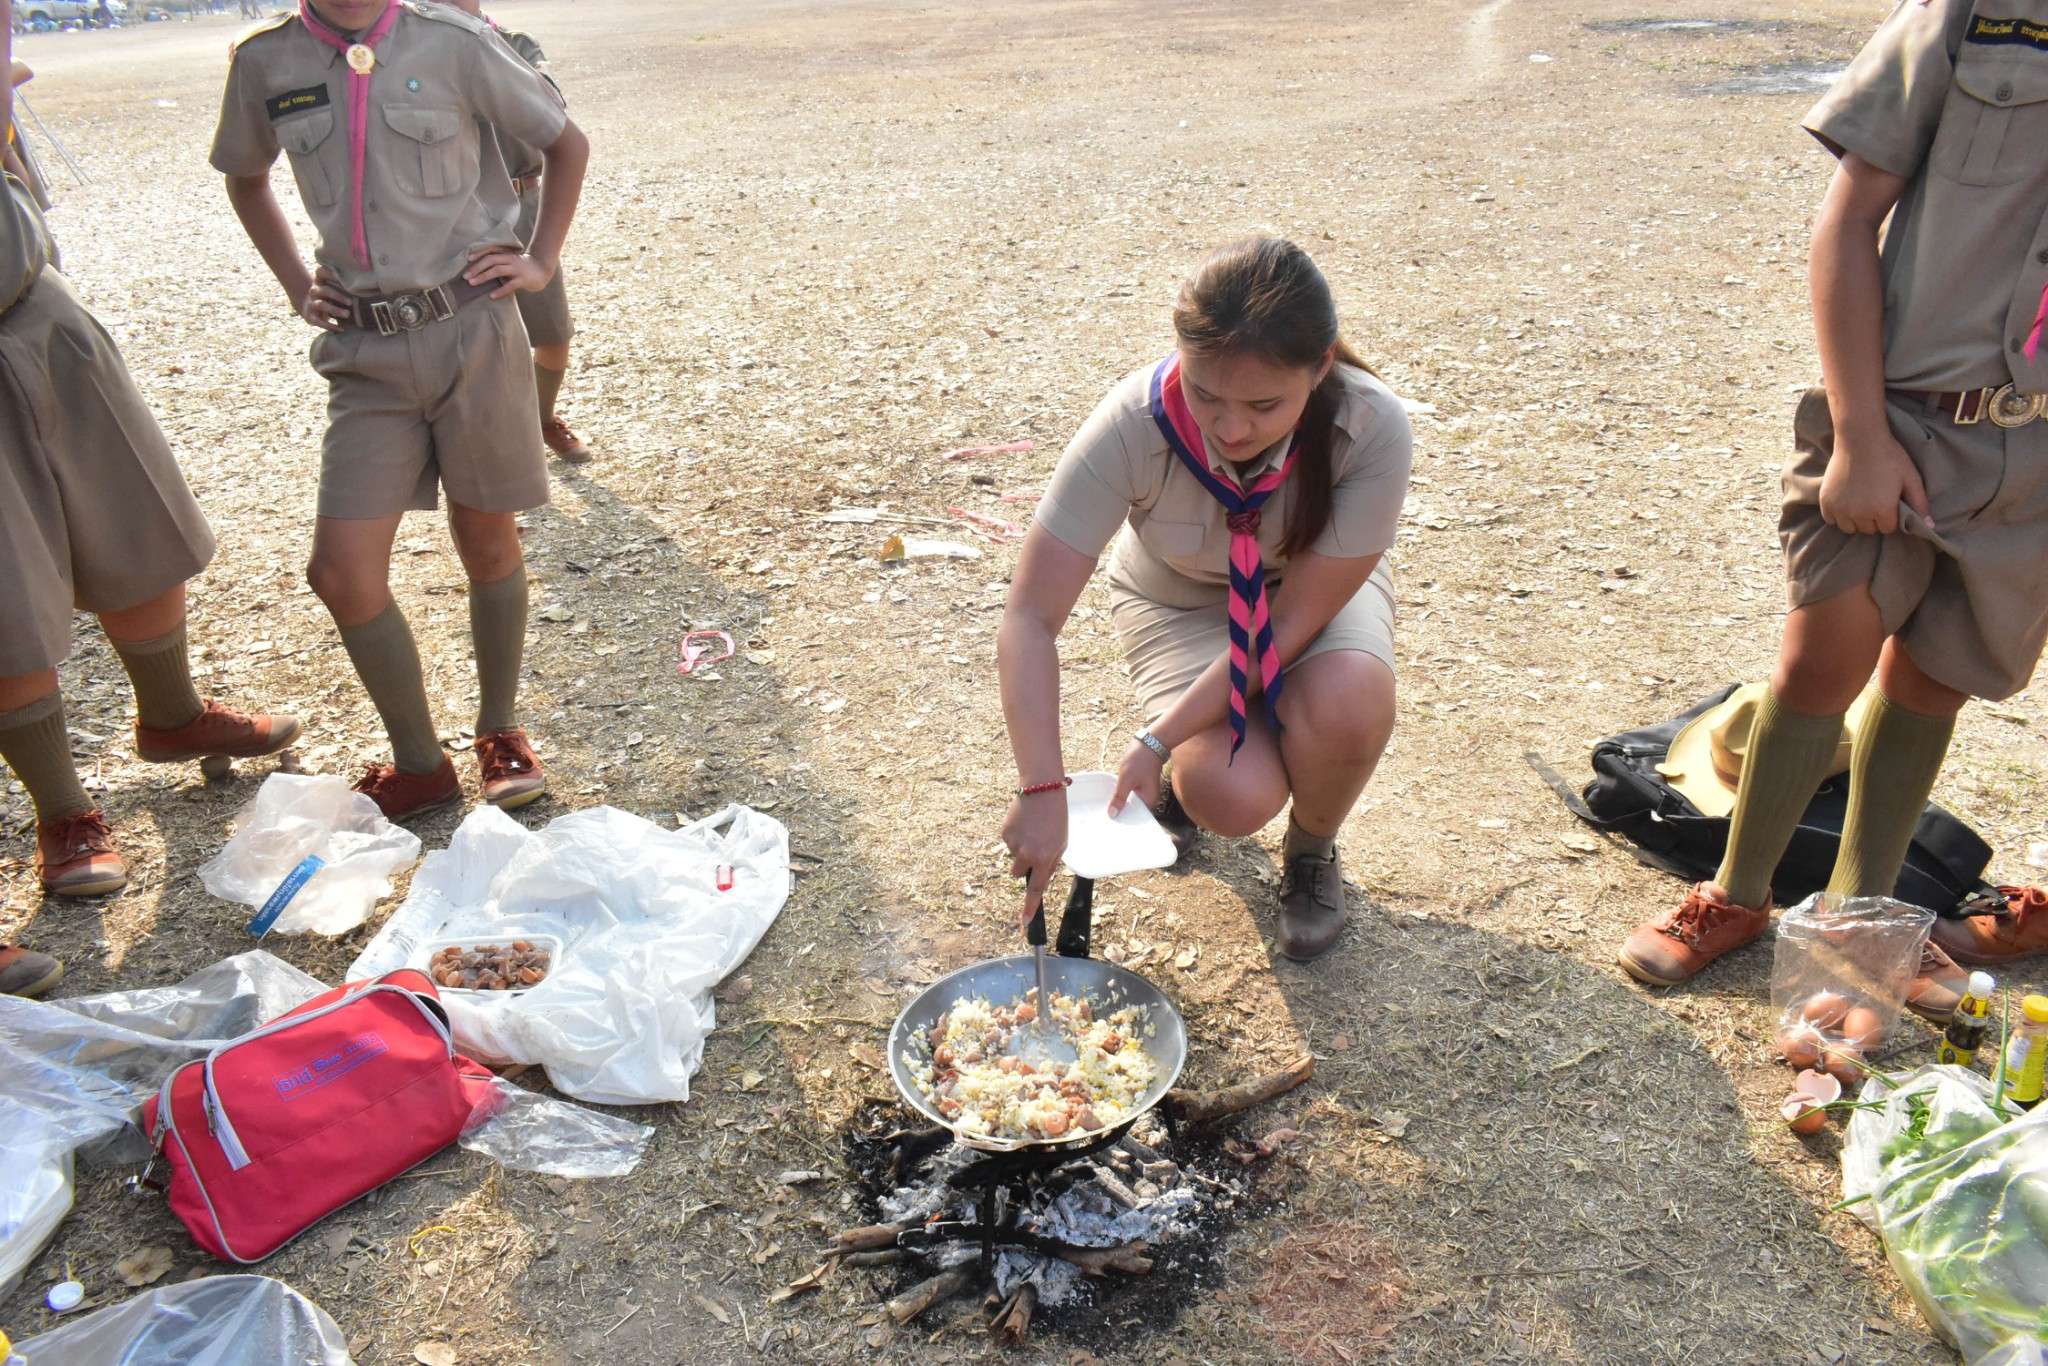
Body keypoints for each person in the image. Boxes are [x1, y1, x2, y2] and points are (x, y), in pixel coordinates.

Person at [1616, 0, 2048, 1000]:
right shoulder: (1974, 17)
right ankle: (1735, 895)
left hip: (2033, 456)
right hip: (1898, 417)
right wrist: (1858, 434)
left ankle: (1860, 924)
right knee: (1821, 660)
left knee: (1934, 678)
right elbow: (1849, 218)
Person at [212, 0, 589, 820]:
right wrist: (295, 283)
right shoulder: (266, 60)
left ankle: (500, 732)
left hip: (473, 331)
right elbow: (247, 177)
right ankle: (420, 764)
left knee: (485, 536)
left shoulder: (452, 42)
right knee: (340, 573)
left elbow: (566, 142)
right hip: (364, 351)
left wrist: (540, 260)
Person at [999, 237, 1408, 961]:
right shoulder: (1131, 423)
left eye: (1263, 404)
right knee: (1231, 794)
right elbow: (1030, 618)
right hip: (1178, 596)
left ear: (1319, 368)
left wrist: (1157, 738)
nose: (1231, 428)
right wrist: (1039, 788)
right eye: (1206, 394)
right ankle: (1191, 783)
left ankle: (1312, 847)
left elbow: (1288, 625)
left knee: (1348, 702)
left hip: (1307, 598)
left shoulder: (1370, 427)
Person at [0, 0, 300, 917]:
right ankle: (64, 812)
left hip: (31, 302)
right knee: (8, 595)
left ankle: (171, 716)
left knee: (135, 524)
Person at [435, 0, 588, 463]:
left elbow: (551, 106)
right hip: (458, 211)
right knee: (475, 337)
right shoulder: (415, 50)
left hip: (523, 202)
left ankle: (543, 418)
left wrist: (484, 48)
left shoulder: (515, 44)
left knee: (552, 332)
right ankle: (493, 443)